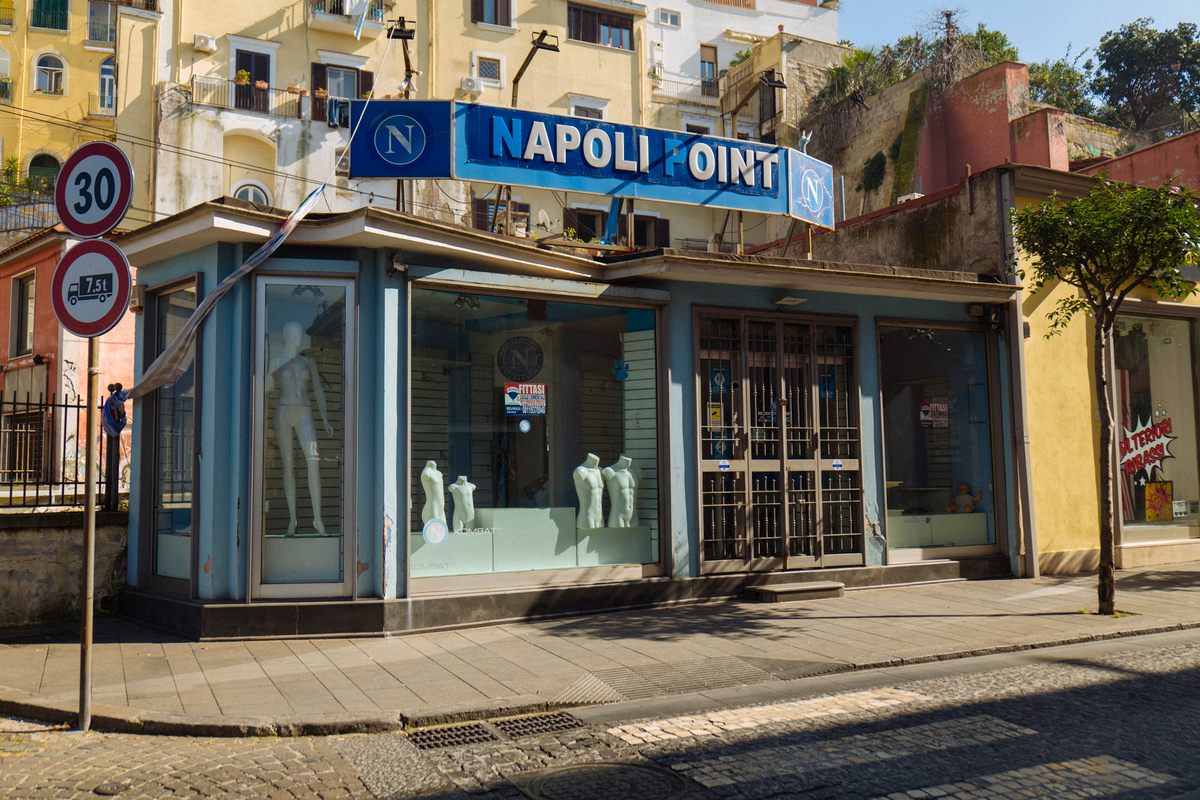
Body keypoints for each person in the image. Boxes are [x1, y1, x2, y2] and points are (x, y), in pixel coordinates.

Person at [268, 321, 331, 535]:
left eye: (298, 333)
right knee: (288, 465)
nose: (296, 337)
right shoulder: (277, 361)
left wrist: (324, 419)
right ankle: (292, 519)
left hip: (304, 411)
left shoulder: (308, 361)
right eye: (292, 333)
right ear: (286, 336)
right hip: (284, 412)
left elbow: (319, 391)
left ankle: (317, 518)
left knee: (313, 461)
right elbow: (266, 388)